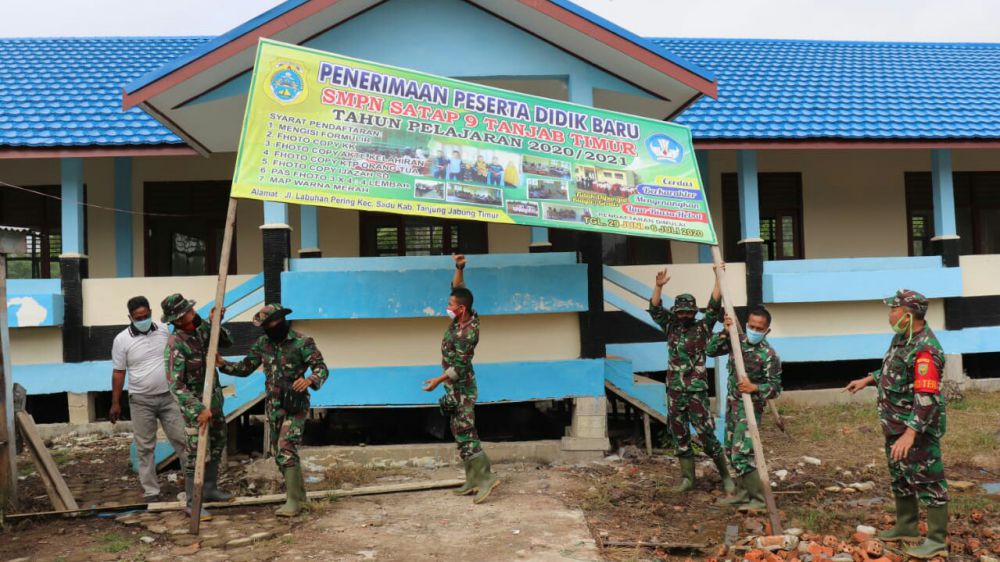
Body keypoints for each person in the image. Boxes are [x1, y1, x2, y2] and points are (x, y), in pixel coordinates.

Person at [845, 289, 948, 559]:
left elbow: (927, 397)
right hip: (895, 425)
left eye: (893, 309)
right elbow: (893, 369)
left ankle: (936, 540)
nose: (889, 315)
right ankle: (907, 526)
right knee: (901, 476)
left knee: (929, 481)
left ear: (908, 315)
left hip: (917, 429)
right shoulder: (902, 338)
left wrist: (910, 434)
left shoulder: (926, 350)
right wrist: (868, 379)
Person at [217, 303, 329, 517]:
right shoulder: (263, 343)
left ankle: (293, 502)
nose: (270, 327)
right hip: (274, 406)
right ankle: (300, 497)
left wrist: (309, 380)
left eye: (272, 322)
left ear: (281, 320)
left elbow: (322, 368)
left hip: (295, 405)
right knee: (279, 453)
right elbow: (245, 368)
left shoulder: (302, 342)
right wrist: (223, 364)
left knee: (286, 447)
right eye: (266, 325)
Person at [647, 265, 732, 494]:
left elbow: (714, 305)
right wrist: (658, 286)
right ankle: (687, 479)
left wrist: (718, 277)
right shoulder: (670, 327)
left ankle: (726, 476)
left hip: (696, 391)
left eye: (688, 312)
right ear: (675, 312)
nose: (684, 315)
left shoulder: (703, 327)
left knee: (706, 434)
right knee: (679, 434)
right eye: (681, 312)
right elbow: (654, 309)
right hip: (675, 391)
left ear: (694, 312)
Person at [421, 254, 499, 504]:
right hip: (453, 387)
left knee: (466, 431)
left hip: (462, 387)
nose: (448, 306)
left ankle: (486, 477)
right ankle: (472, 479)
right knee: (457, 430)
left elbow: (460, 366)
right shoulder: (460, 319)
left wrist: (437, 380)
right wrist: (459, 268)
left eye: (450, 304)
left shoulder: (468, 333)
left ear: (461, 309)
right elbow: (458, 289)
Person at [161, 293, 232, 521]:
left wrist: (214, 323)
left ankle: (209, 489)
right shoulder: (176, 344)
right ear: (177, 319)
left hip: (215, 401)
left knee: (217, 443)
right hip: (196, 408)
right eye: (187, 313)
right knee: (196, 453)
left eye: (191, 310)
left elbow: (226, 342)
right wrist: (197, 409)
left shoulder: (201, 330)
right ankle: (193, 504)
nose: (192, 314)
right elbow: (175, 385)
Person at [110, 296, 188, 502]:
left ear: (151, 312)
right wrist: (115, 403)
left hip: (169, 397)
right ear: (130, 317)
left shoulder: (164, 330)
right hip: (141, 400)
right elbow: (119, 372)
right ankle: (151, 491)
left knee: (183, 441)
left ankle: (192, 486)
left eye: (146, 316)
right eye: (138, 318)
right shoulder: (121, 340)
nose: (143, 320)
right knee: (145, 448)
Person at [706, 306, 782, 511]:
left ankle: (758, 499)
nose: (754, 331)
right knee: (730, 450)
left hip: (749, 409)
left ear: (767, 331)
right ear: (746, 324)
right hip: (732, 404)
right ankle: (742, 494)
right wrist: (724, 332)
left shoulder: (769, 355)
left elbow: (775, 389)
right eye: (752, 326)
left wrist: (754, 387)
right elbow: (710, 351)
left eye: (759, 328)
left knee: (742, 453)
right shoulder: (736, 341)